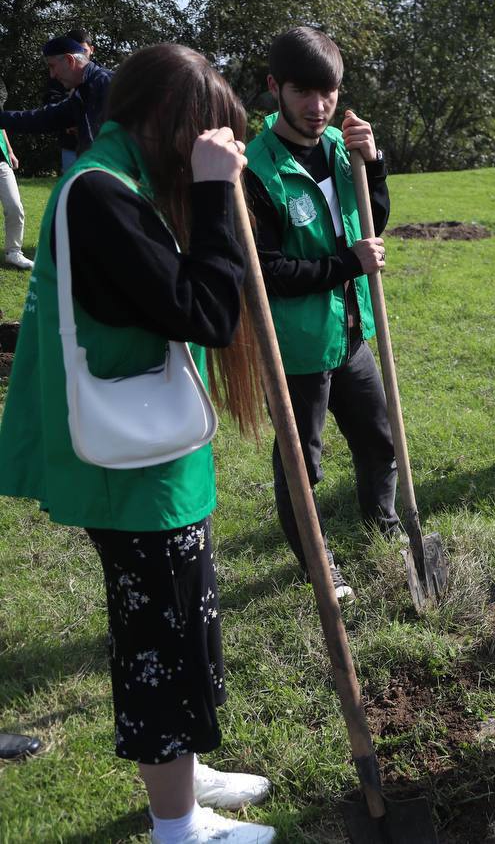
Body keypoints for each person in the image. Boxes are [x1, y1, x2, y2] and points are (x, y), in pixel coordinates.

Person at [0, 44, 275, 843]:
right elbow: (208, 312)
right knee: (158, 636)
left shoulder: (120, 177)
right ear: (167, 121)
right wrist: (218, 195)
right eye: (203, 134)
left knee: (189, 616)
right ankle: (177, 822)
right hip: (128, 460)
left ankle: (185, 763)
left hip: (153, 447)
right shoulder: (99, 196)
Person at [243, 27, 399, 600]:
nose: (317, 106)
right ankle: (317, 562)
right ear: (274, 89)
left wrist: (373, 162)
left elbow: (371, 222)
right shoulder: (254, 170)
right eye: (303, 92)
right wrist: (345, 265)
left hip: (351, 331)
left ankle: (382, 524)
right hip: (297, 346)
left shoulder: (340, 147)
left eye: (327, 92)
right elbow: (265, 272)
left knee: (379, 441)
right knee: (301, 469)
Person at [0, 35, 113, 155]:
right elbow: (44, 118)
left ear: (70, 60)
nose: (52, 75)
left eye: (52, 66)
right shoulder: (82, 92)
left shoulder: (109, 84)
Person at [44, 29, 96, 173]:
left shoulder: (102, 79)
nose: (80, 55)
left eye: (83, 51)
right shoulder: (58, 75)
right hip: (71, 146)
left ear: (91, 50)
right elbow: (51, 103)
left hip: (97, 148)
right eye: (75, 50)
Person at [0, 128, 32, 269]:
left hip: (1, 162)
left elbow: (1, 127)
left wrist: (10, 151)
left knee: (14, 206)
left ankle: (13, 252)